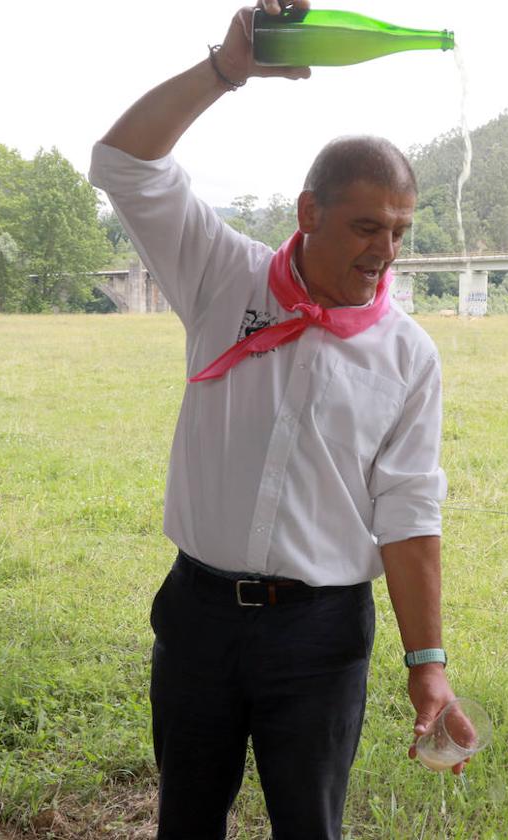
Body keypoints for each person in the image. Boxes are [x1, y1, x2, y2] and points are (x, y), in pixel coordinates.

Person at [88, 2, 459, 836]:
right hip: (199, 617)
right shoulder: (224, 278)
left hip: (322, 636)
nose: (384, 252)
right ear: (308, 213)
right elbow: (123, 162)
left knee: (309, 827)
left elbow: (408, 513)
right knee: (186, 820)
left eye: (399, 231)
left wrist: (427, 665)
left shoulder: (407, 354)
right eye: (366, 226)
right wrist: (225, 72)